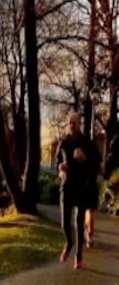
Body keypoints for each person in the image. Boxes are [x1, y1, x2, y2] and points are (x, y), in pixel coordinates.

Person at [56, 112, 101, 269]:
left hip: (82, 187)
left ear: (79, 124)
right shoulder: (64, 142)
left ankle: (78, 256)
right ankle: (69, 243)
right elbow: (58, 161)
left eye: (74, 123)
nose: (71, 125)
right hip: (67, 186)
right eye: (69, 122)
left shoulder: (87, 142)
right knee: (64, 223)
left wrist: (84, 158)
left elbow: (97, 165)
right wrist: (60, 167)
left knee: (79, 222)